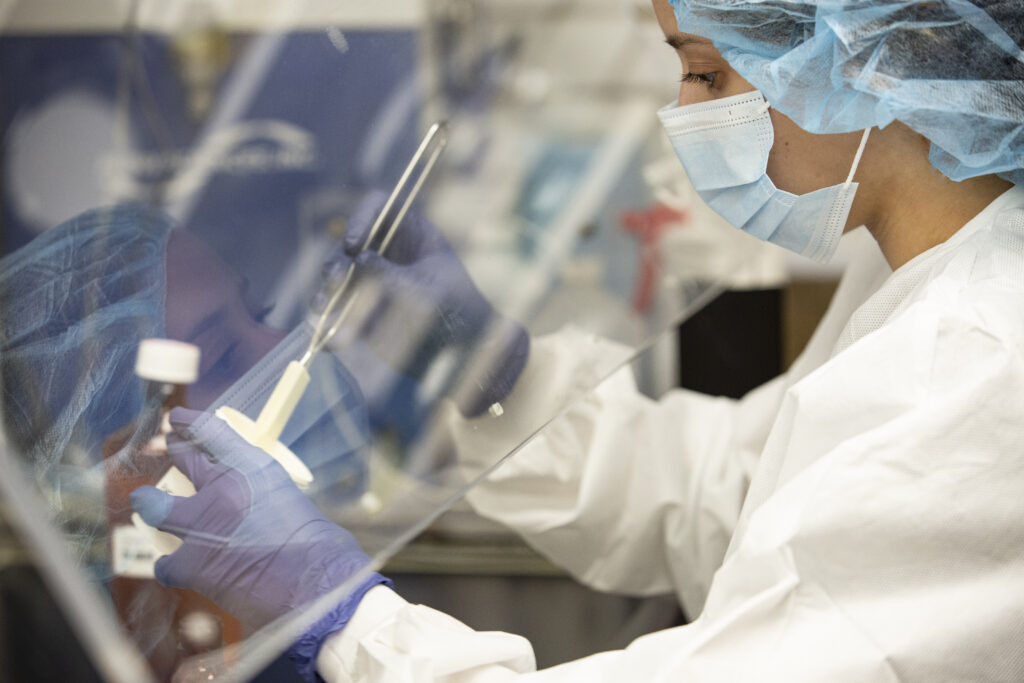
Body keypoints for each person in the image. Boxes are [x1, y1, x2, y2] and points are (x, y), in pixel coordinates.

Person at [130, 0, 1024, 680]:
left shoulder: (981, 358)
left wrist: (347, 622)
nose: (684, 113)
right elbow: (740, 500)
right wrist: (497, 372)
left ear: (867, 62)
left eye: (707, 75)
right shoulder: (934, 273)